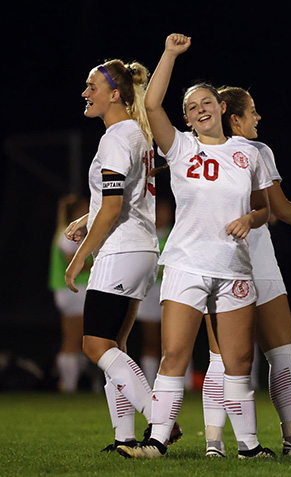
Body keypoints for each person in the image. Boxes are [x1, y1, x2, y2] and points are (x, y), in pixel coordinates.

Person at [117, 34, 272, 459]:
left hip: (234, 267)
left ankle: (250, 446)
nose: (199, 109)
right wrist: (169, 54)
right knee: (175, 354)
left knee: (238, 363)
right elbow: (151, 106)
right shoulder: (182, 147)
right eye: (191, 107)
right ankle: (157, 440)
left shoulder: (249, 152)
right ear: (186, 119)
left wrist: (249, 219)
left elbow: (263, 209)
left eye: (206, 102)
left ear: (221, 108)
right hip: (187, 263)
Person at [199, 86, 291, 458]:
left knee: (249, 356)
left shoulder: (229, 152)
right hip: (237, 261)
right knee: (260, 356)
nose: (258, 118)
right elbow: (281, 209)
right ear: (234, 117)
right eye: (253, 111)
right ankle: (275, 439)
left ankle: (223, 443)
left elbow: (276, 209)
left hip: (240, 261)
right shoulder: (235, 150)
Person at [64, 58, 169, 452]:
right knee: (114, 347)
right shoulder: (138, 135)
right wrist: (86, 215)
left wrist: (79, 259)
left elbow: (112, 208)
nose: (85, 93)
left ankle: (160, 420)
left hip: (121, 249)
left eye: (92, 87)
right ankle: (124, 438)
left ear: (115, 94)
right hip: (140, 248)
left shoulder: (115, 137)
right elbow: (125, 193)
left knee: (95, 345)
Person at [53, 194, 93, 393]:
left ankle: (69, 383)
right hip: (74, 291)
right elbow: (72, 261)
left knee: (74, 339)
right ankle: (68, 386)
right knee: (72, 340)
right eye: (84, 208)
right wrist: (99, 260)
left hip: (71, 291)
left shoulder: (66, 231)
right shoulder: (69, 233)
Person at [134, 198, 174, 385]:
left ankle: (183, 383)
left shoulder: (176, 234)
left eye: (167, 211)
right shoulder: (143, 234)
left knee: (175, 340)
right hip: (149, 292)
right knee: (151, 339)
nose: (164, 215)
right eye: (160, 211)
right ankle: (149, 383)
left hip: (173, 291)